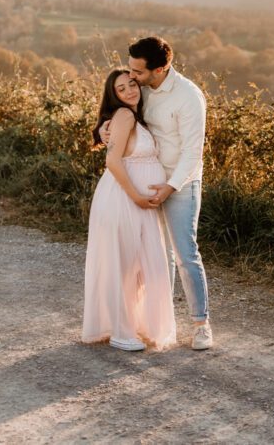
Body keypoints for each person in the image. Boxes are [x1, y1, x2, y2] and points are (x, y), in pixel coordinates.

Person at [102, 36, 213, 350]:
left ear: (161, 68)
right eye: (131, 69)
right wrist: (103, 129)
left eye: (138, 71)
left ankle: (201, 324)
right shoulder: (141, 89)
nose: (132, 76)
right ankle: (154, 322)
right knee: (152, 256)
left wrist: (171, 187)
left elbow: (193, 154)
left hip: (180, 183)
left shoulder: (189, 97)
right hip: (145, 180)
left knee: (184, 254)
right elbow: (123, 116)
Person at [82, 69, 176, 351]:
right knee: (124, 265)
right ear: (115, 97)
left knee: (141, 267)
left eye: (132, 84)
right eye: (121, 90)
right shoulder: (123, 116)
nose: (130, 91)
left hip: (139, 202)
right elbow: (112, 161)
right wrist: (135, 196)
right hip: (123, 198)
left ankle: (133, 324)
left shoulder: (137, 117)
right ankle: (121, 331)